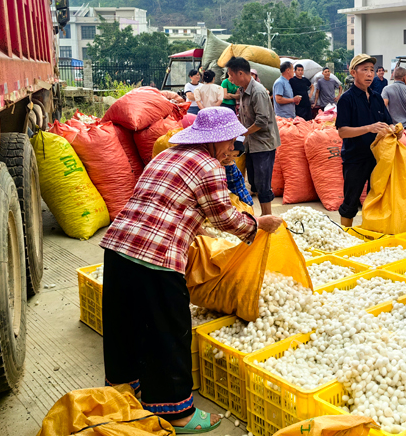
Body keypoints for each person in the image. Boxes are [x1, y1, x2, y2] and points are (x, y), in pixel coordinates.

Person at [99, 107, 283, 434]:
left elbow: (169, 204)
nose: (233, 148)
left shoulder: (165, 156)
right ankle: (176, 413)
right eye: (229, 141)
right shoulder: (208, 165)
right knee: (169, 331)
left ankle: (123, 390)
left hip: (118, 248)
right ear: (212, 140)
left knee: (123, 323)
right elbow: (224, 217)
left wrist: (199, 228)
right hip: (156, 258)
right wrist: (257, 225)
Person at [335, 54, 396, 227]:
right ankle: (345, 235)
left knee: (375, 199)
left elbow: (388, 122)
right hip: (355, 158)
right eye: (365, 70)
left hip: (377, 158)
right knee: (351, 201)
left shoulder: (377, 98)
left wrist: (394, 130)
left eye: (372, 70)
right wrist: (369, 128)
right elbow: (342, 132)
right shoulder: (346, 99)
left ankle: (370, 232)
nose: (369, 74)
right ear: (353, 72)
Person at [228, 57, 281, 216]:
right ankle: (264, 216)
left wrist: (243, 133)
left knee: (263, 184)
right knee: (254, 183)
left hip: (263, 144)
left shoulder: (257, 91)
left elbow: (262, 121)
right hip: (251, 144)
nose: (230, 79)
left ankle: (268, 217)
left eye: (231, 75)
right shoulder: (243, 90)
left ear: (240, 73)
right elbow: (244, 117)